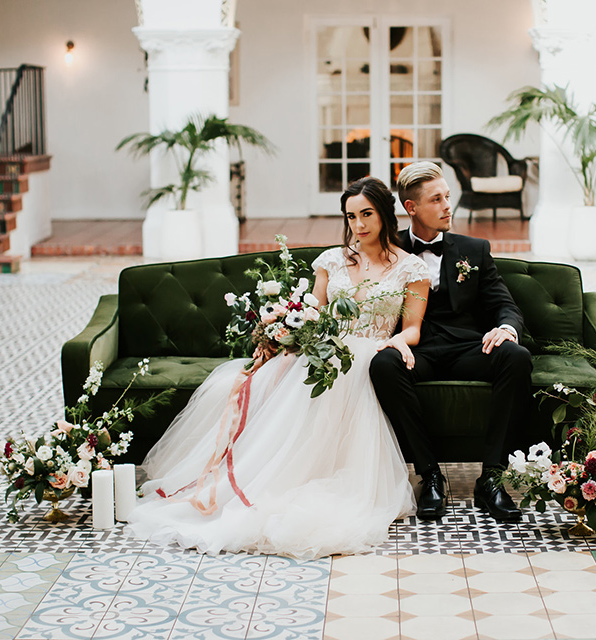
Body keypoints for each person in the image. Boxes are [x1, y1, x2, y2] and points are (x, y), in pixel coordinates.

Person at [127, 177, 431, 559]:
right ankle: (254, 480)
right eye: (351, 216)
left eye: (367, 214)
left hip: (371, 353)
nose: (359, 224)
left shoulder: (412, 269)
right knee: (253, 382)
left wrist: (399, 342)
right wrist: (286, 332)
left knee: (339, 385)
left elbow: (413, 328)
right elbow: (314, 310)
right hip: (324, 349)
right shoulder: (332, 260)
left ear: (386, 214)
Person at [370, 161, 532, 522]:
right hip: (415, 348)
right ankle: (429, 475)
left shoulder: (473, 250)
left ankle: (491, 477)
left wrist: (505, 328)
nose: (448, 207)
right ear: (411, 208)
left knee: (516, 357)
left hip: (468, 347)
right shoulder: (388, 250)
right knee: (382, 364)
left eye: (448, 197)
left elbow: (503, 303)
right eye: (436, 199)